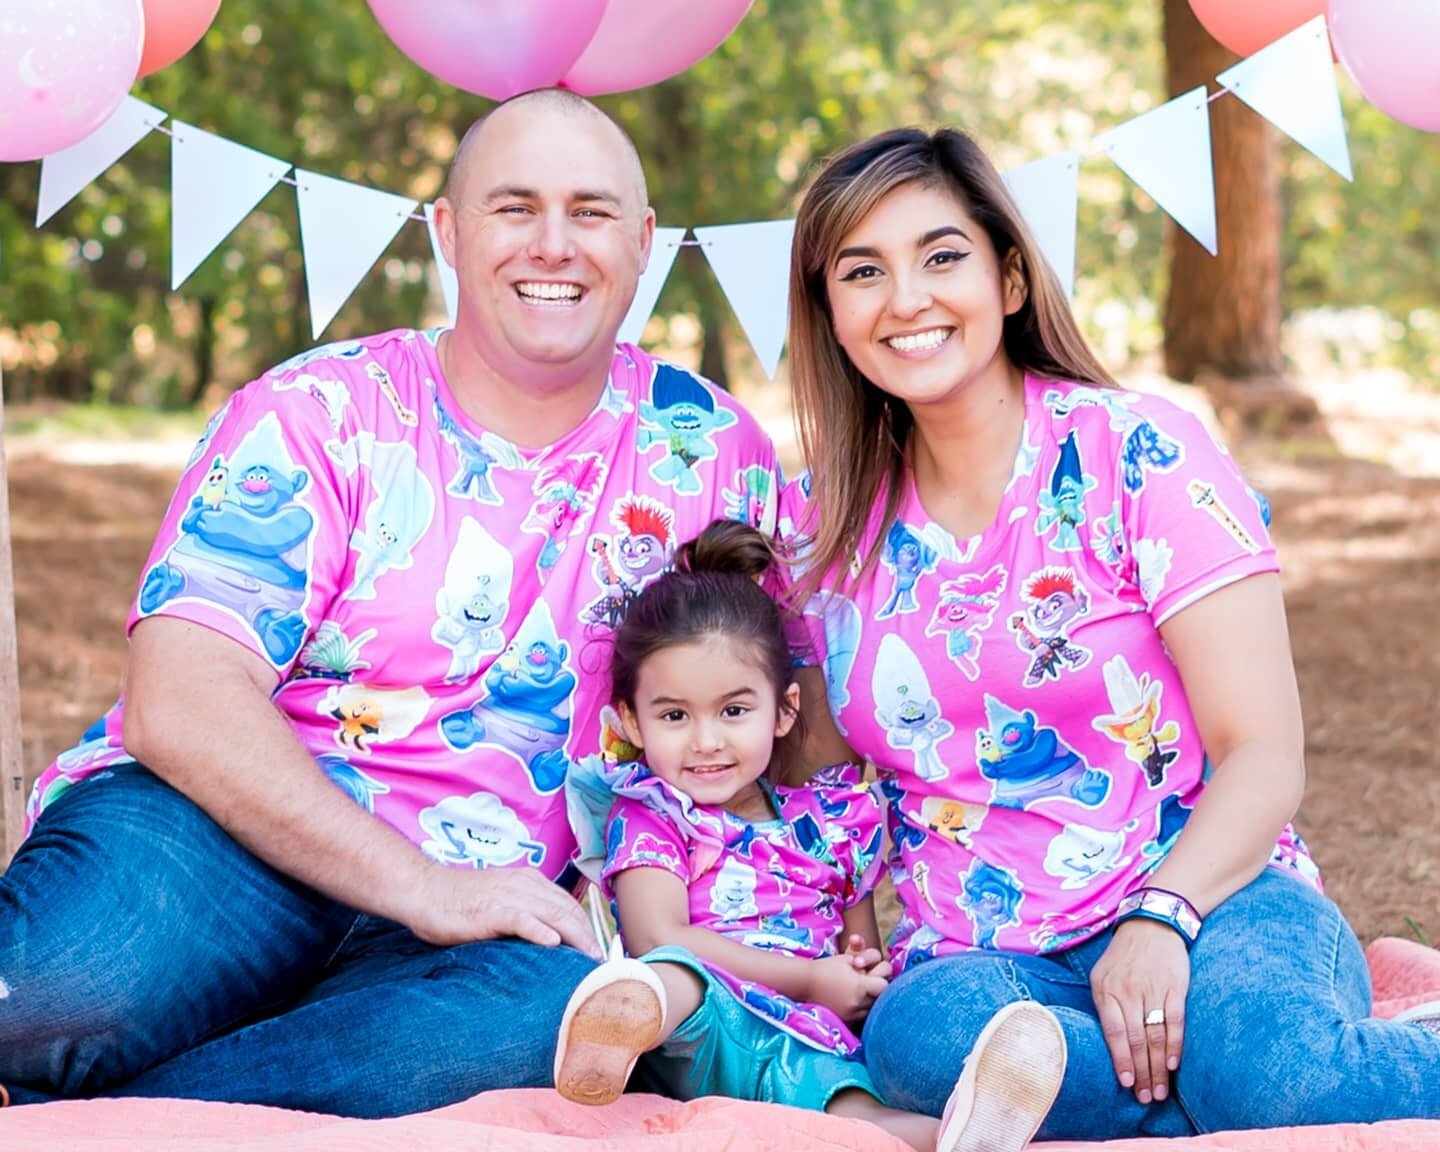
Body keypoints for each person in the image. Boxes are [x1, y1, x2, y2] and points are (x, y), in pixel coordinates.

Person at [0, 89, 789, 1118]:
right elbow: (178, 698)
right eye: (515, 207)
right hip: (220, 839)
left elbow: (785, 700)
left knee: (548, 1021)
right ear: (447, 234)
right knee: (62, 982)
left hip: (496, 904)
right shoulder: (320, 410)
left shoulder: (713, 452)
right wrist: (421, 885)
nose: (554, 245)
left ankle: (95, 1125)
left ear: (642, 243)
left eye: (591, 213)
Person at [779, 126, 1440, 1141]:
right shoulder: (821, 528)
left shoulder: (1139, 453)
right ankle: (1197, 1089)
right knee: (919, 1038)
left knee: (1283, 1084)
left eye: (940, 256)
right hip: (989, 954)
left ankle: (1243, 1072)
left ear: (1007, 280)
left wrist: (1161, 918)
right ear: (829, 311)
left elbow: (1263, 754)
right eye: (863, 271)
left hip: (1213, 894)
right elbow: (816, 775)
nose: (905, 298)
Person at [554, 518, 1067, 1152]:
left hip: (801, 1037)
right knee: (670, 974)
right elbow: (657, 933)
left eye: (734, 711)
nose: (707, 740)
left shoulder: (833, 822)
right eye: (675, 715)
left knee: (846, 1099)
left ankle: (958, 1136)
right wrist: (809, 979)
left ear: (785, 710)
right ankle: (617, 1031)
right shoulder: (655, 813)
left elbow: (857, 951)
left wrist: (852, 979)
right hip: (696, 1030)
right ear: (631, 719)